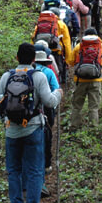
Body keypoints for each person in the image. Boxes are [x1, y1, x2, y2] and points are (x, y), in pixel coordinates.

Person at [0, 43, 62, 203]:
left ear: (17, 58)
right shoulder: (38, 76)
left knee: (14, 170)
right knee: (34, 170)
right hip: (33, 129)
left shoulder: (6, 77)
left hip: (12, 132)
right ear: (34, 60)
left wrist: (7, 123)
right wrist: (58, 94)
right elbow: (49, 102)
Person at [68, 28, 102, 131]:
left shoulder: (79, 47)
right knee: (93, 107)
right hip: (96, 81)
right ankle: (93, 129)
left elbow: (71, 61)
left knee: (77, 106)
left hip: (80, 80)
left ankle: (74, 128)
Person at [34, 48, 61, 184]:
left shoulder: (29, 73)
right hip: (47, 106)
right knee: (47, 134)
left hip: (31, 110)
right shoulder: (48, 72)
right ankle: (46, 164)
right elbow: (56, 88)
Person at [32, 9, 73, 86]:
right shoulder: (61, 24)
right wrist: (68, 60)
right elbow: (67, 43)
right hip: (56, 52)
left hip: (41, 52)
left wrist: (32, 53)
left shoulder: (38, 25)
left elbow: (33, 39)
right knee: (58, 72)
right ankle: (58, 88)